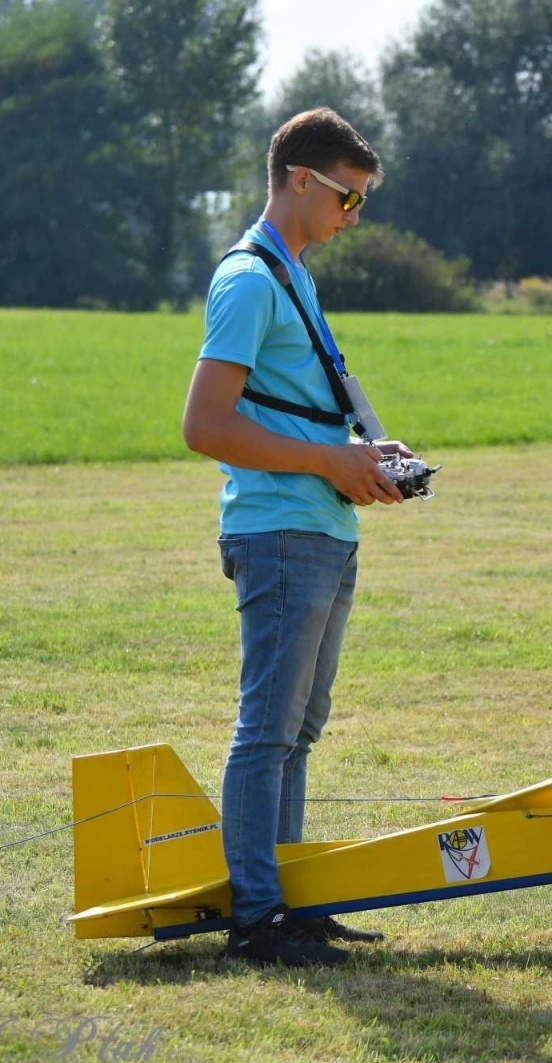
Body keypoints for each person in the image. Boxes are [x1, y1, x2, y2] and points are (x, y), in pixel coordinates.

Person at [182, 108, 406, 967]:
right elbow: (205, 425)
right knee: (266, 731)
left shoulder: (294, 276)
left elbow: (292, 411)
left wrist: (363, 455)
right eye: (350, 198)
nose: (357, 216)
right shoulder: (249, 280)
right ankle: (257, 919)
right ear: (302, 180)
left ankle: (293, 901)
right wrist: (326, 460)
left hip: (321, 525)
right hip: (279, 531)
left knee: (299, 729)